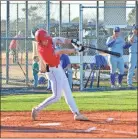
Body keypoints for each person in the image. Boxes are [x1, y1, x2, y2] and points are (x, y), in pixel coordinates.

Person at [31, 29, 88, 121]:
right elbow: (61, 51)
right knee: (56, 97)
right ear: (40, 41)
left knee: (68, 93)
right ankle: (37, 109)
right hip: (53, 72)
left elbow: (58, 39)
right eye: (44, 40)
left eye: (46, 38)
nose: (46, 40)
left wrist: (72, 41)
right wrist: (77, 49)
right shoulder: (44, 50)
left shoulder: (47, 40)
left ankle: (76, 113)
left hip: (59, 69)